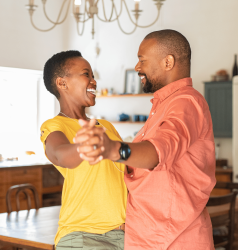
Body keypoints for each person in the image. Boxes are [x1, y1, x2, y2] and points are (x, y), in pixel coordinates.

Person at [74, 30, 216, 250]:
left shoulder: (187, 102)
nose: (137, 67)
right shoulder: (163, 106)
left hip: (174, 240)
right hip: (147, 234)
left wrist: (112, 149)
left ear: (168, 62)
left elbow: (159, 151)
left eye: (142, 60)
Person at [40, 50, 127, 250]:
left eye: (93, 76)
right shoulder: (54, 126)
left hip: (124, 234)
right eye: (86, 74)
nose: (94, 81)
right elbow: (60, 154)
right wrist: (86, 146)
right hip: (83, 236)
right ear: (62, 83)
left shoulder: (105, 126)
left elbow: (127, 171)